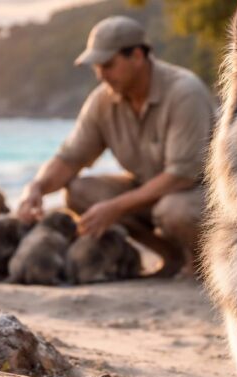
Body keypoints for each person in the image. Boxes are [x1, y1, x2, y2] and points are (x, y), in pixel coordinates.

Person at [17, 16, 216, 277]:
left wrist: (115, 207)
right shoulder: (101, 100)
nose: (101, 75)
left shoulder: (184, 92)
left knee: (173, 210)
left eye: (108, 65)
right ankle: (171, 256)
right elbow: (69, 158)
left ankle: (205, 266)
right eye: (96, 67)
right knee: (78, 190)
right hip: (152, 190)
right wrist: (36, 187)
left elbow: (182, 177)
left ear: (137, 56)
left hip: (203, 194)